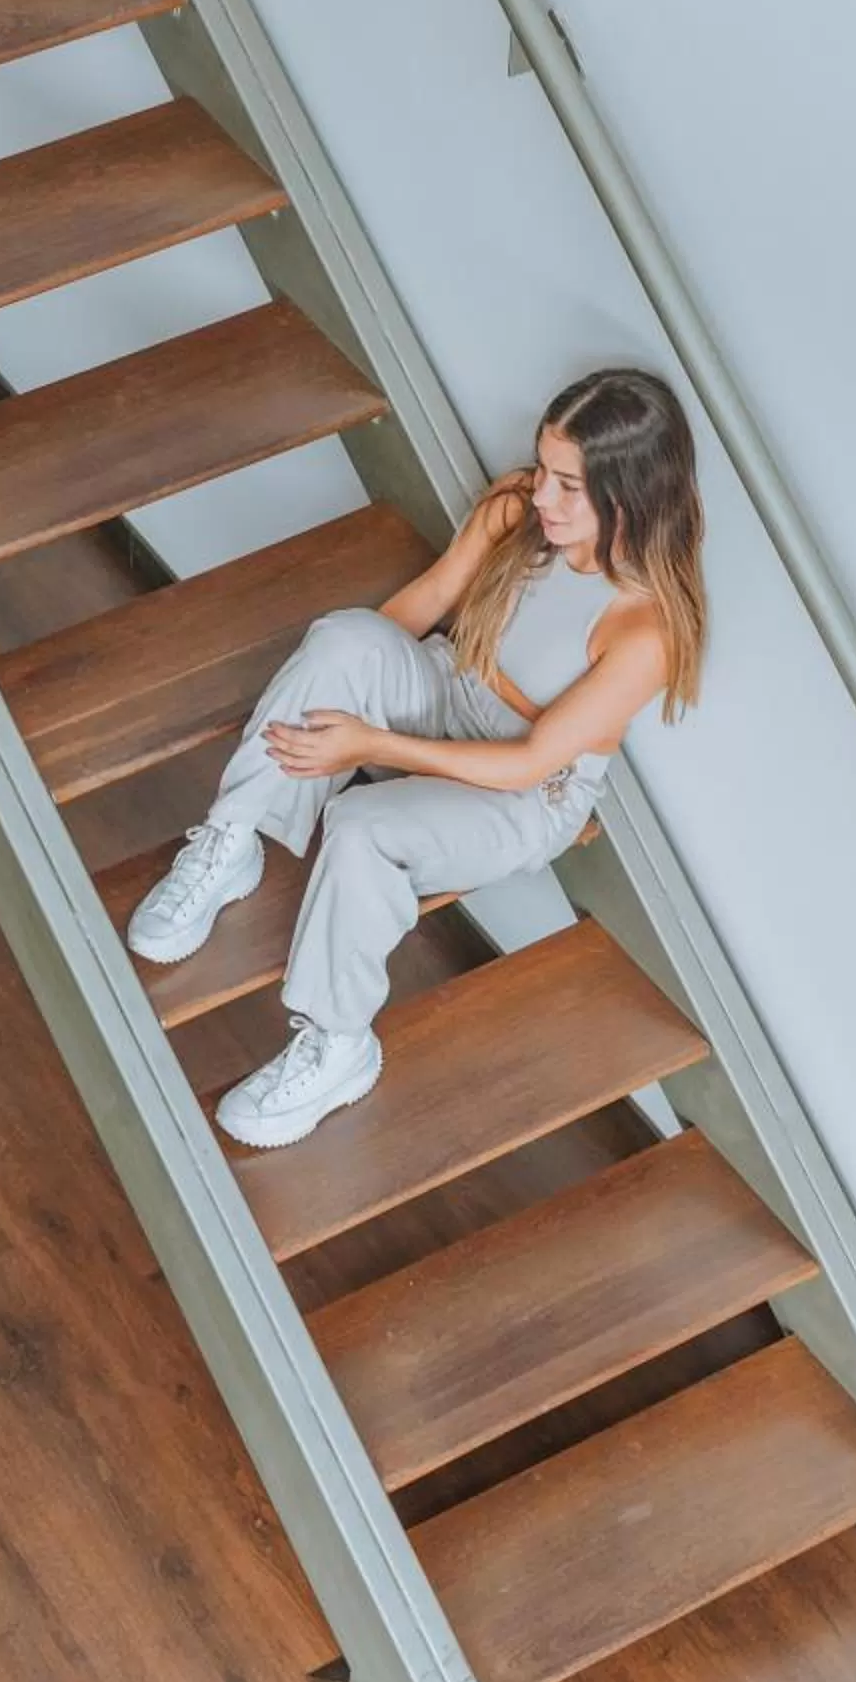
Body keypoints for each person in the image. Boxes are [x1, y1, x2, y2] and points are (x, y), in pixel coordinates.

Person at [126, 367, 709, 1149]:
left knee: (363, 827)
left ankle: (337, 1044)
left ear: (631, 493)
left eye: (569, 487)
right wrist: (349, 676)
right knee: (344, 637)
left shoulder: (644, 633)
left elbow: (530, 761)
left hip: (520, 793)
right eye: (543, 471)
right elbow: (423, 608)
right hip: (452, 685)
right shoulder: (517, 510)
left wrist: (368, 744)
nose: (541, 497)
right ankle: (234, 839)